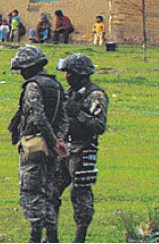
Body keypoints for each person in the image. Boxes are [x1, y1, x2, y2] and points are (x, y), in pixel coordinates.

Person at [9, 46, 69, 243]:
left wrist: (51, 141)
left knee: (32, 194)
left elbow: (38, 116)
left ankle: (35, 239)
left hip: (35, 147)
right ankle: (52, 238)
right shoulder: (56, 86)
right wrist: (57, 141)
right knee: (47, 194)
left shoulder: (33, 86)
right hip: (52, 149)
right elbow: (63, 118)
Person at [52, 54, 108, 243]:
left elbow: (99, 126)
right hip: (65, 150)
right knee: (51, 191)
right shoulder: (69, 93)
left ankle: (79, 238)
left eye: (71, 73)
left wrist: (79, 114)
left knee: (80, 194)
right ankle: (51, 237)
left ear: (82, 75)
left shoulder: (95, 95)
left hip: (83, 151)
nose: (67, 76)